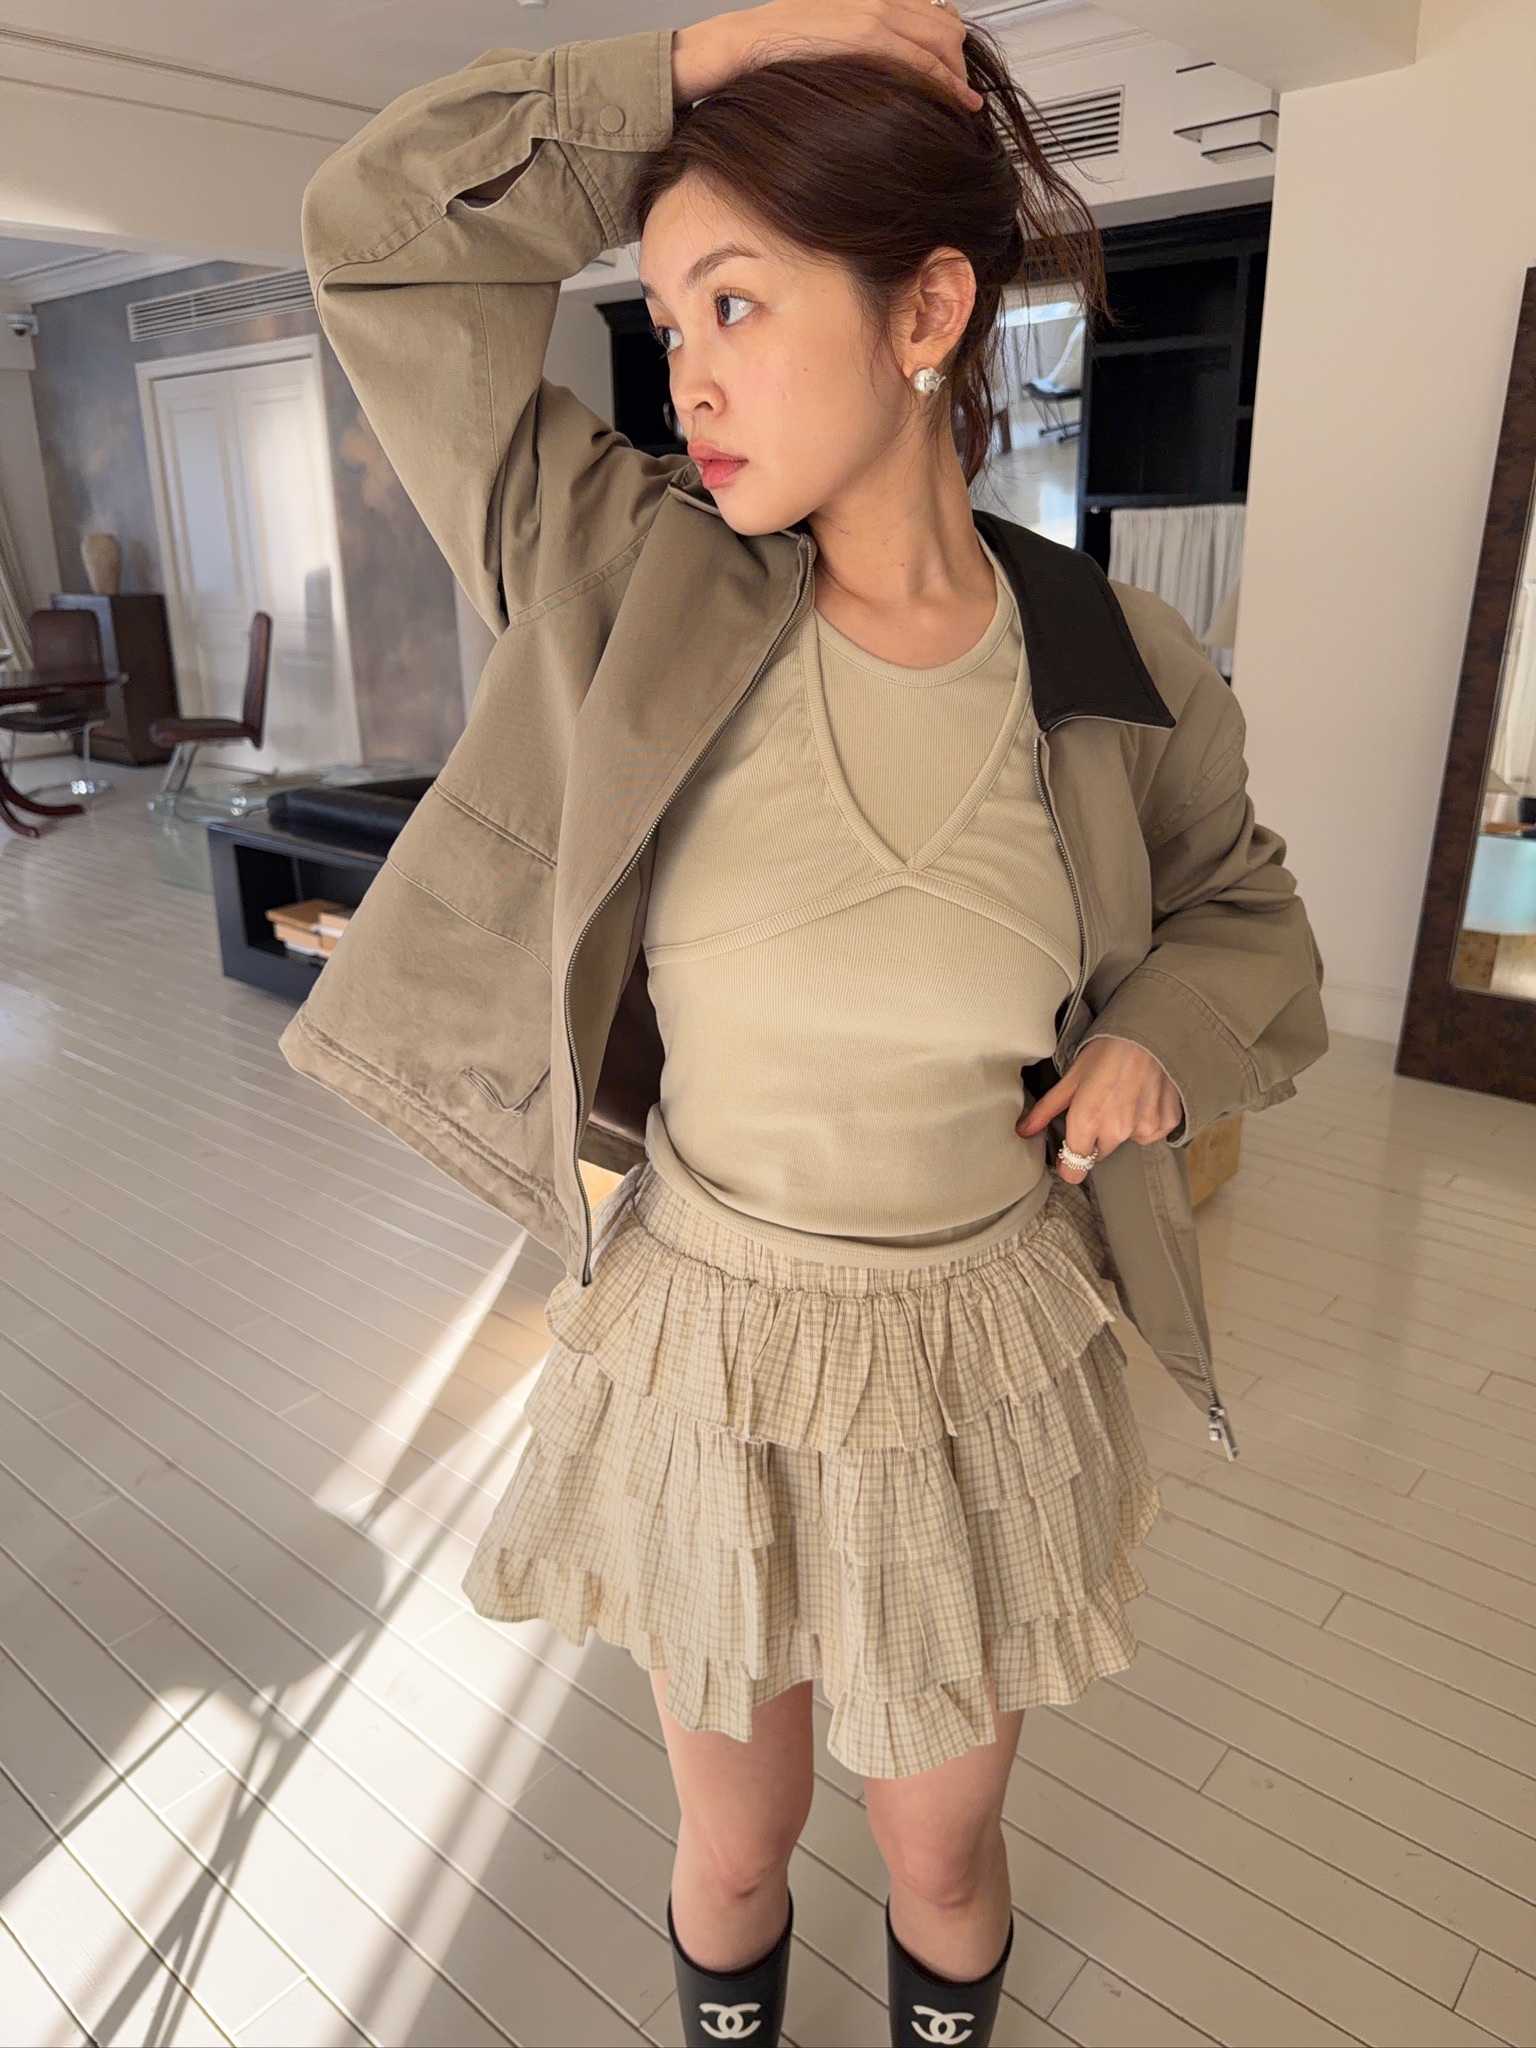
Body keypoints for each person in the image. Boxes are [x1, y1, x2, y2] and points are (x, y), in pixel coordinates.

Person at [280, 4, 1327, 2041]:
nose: (688, 370)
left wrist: (1162, 1036)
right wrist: (703, 59)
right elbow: (380, 236)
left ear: (927, 309)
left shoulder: (1116, 658)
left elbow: (1247, 918)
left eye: (741, 303)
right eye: (671, 315)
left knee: (938, 1852)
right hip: (716, 1343)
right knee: (736, 1845)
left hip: (974, 1351)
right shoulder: (620, 573)